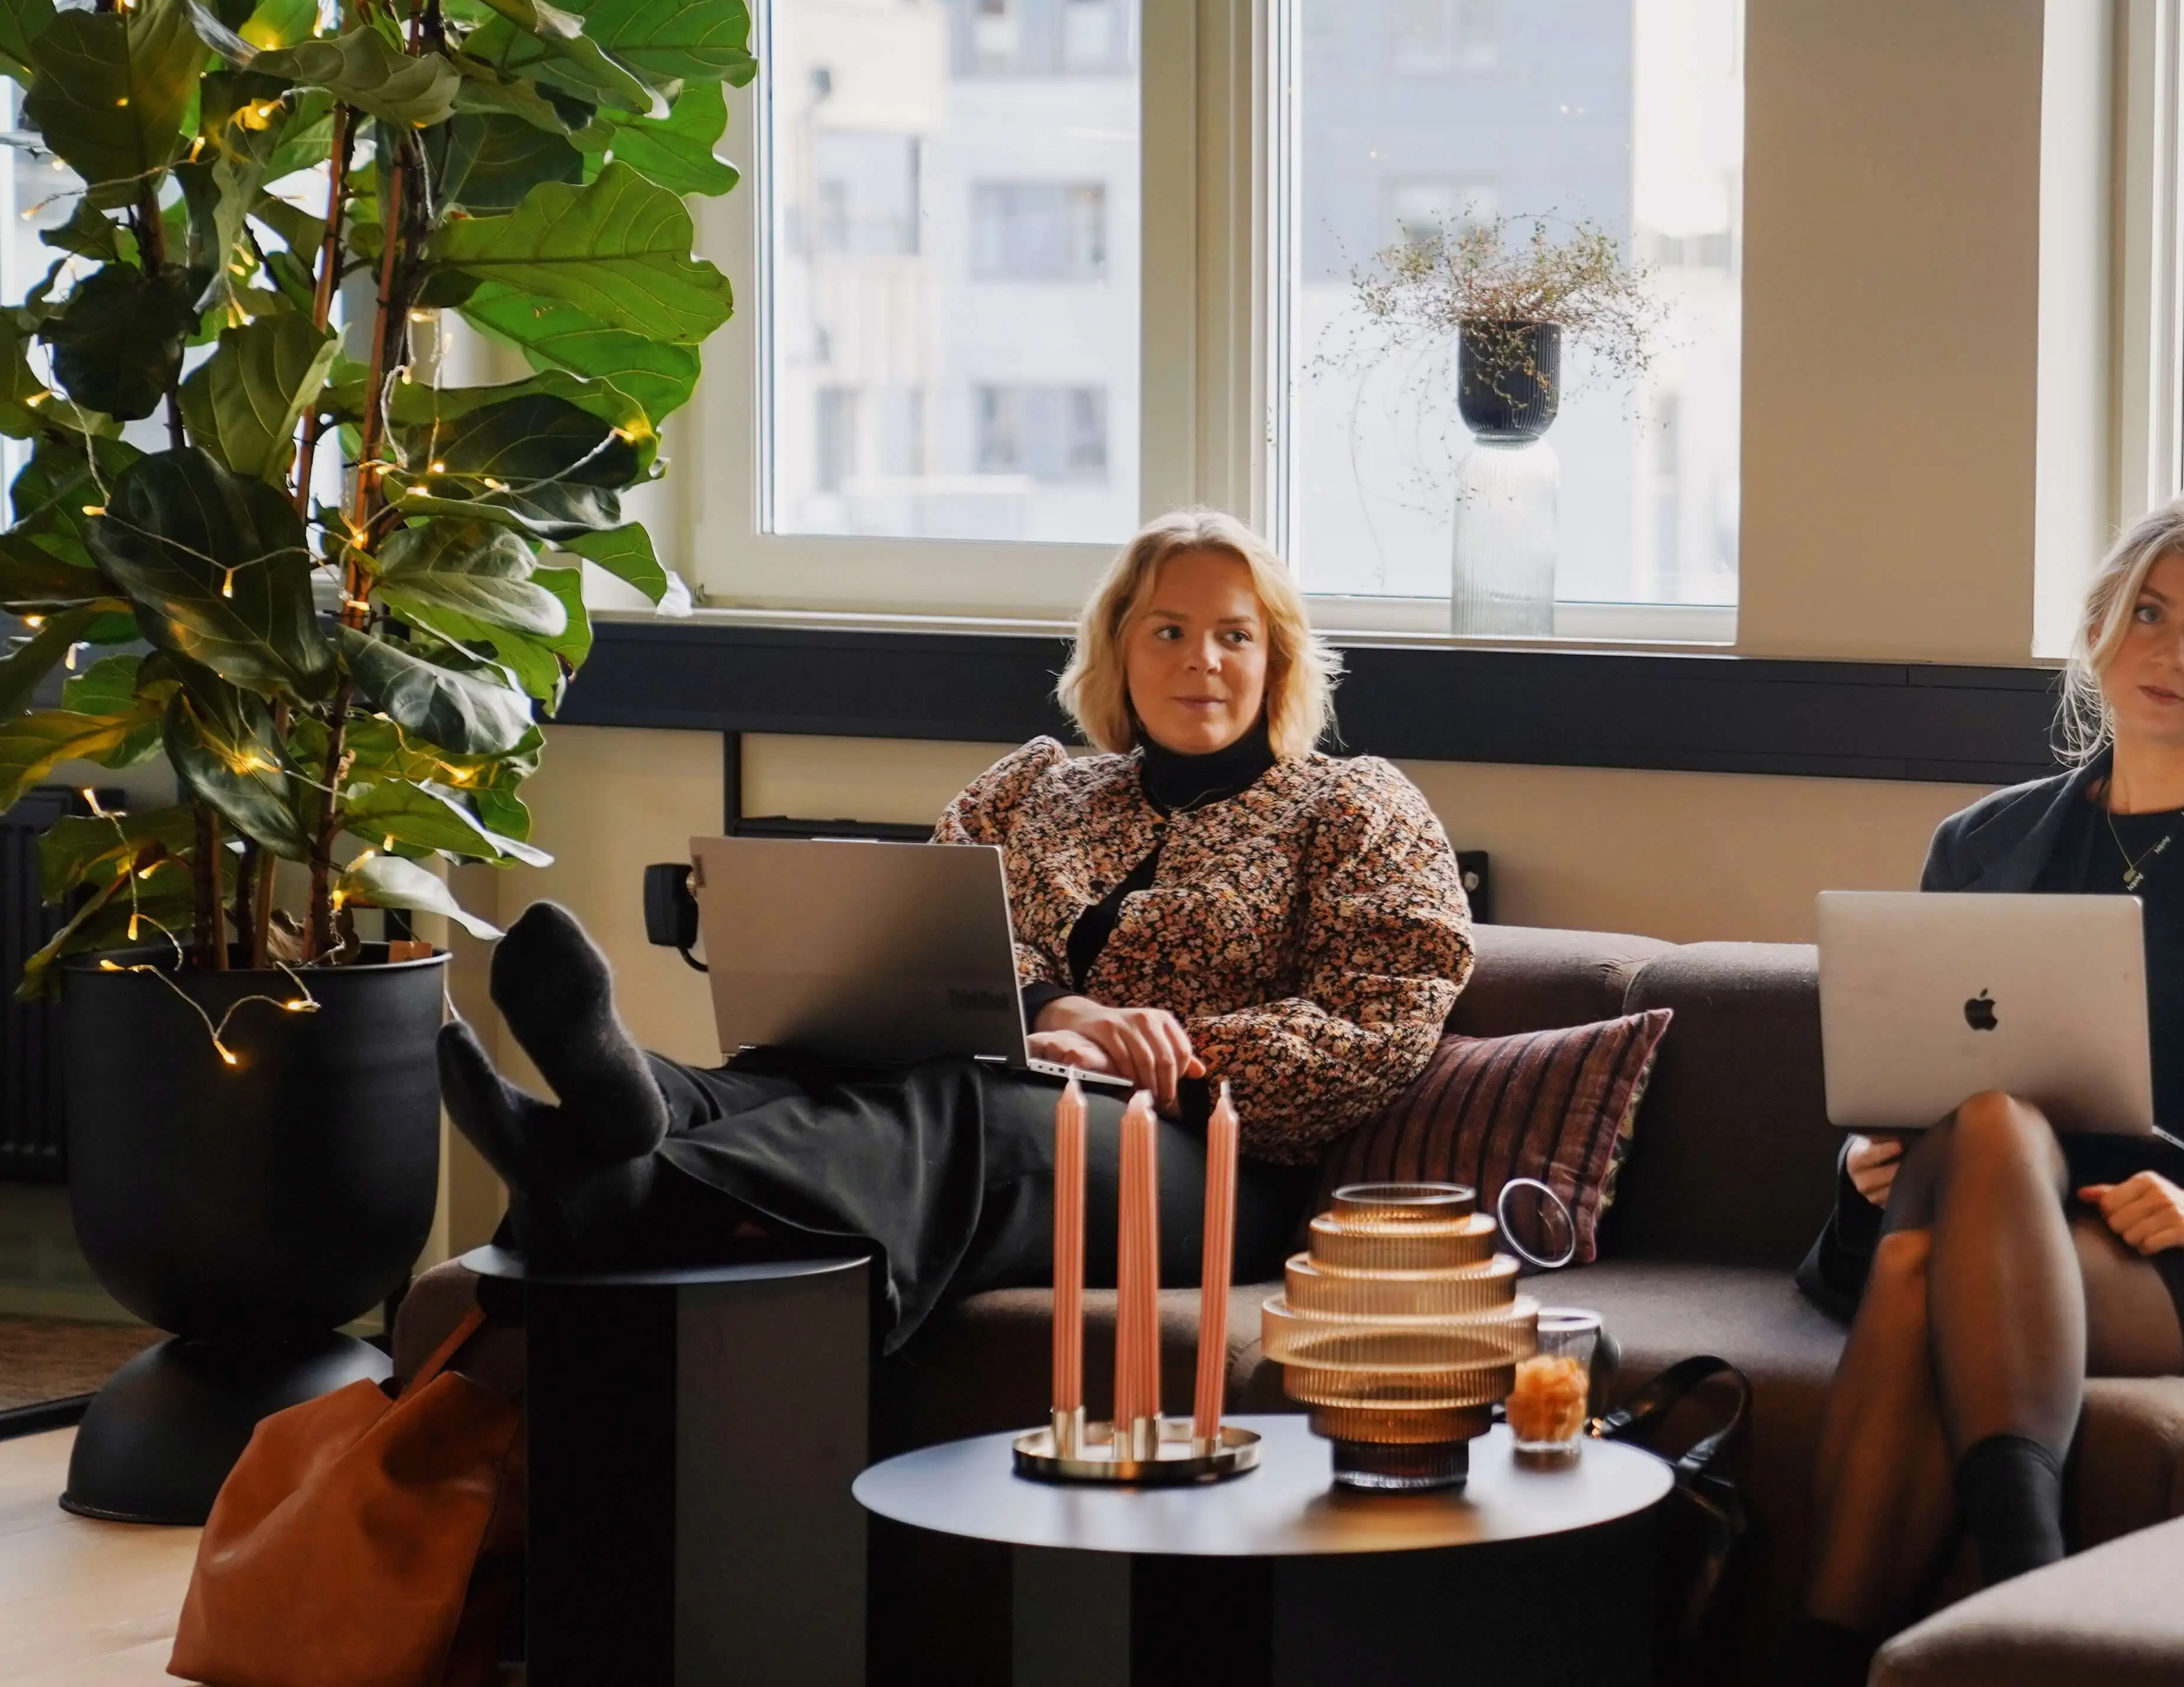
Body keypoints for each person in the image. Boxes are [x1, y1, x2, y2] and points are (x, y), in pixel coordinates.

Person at [1670, 495, 2184, 1687]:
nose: (2174, 648)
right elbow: (1915, 1071)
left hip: (2183, 1249)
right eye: (2149, 612)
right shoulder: (1984, 840)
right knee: (1974, 1148)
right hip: (1993, 1220)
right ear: (2094, 630)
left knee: (1932, 1233)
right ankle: (2020, 1586)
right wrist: (1866, 1158)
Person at [438, 510, 1474, 1350]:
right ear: (1119, 647)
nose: (1200, 659)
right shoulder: (1031, 792)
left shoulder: (1353, 807)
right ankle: (628, 1108)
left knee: (973, 1105)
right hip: (1007, 1072)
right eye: (1168, 629)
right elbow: (925, 951)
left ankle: (609, 1181)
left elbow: (1378, 1021)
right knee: (793, 1070)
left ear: (1277, 659)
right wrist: (1050, 1016)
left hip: (1208, 1162)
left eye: (1233, 634)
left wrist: (1149, 1057)